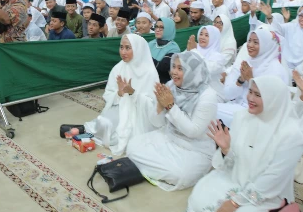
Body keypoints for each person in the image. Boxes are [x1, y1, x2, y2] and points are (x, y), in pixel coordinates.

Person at [178, 76, 303, 212]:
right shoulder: (242, 117)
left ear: (273, 99)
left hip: (267, 194)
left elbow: (273, 178)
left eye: (258, 95)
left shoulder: (291, 135)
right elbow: (234, 163)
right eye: (250, 92)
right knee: (199, 199)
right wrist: (226, 150)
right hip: (236, 181)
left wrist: (235, 202)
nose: (250, 99)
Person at [127, 51, 218, 191]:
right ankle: (155, 168)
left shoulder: (207, 96)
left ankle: (150, 167)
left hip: (195, 148)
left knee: (181, 175)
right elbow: (157, 123)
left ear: (193, 71)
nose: (174, 72)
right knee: (132, 146)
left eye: (180, 68)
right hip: (170, 137)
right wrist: (159, 104)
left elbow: (193, 131)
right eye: (173, 67)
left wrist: (170, 106)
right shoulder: (171, 86)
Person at [84, 34, 159, 155]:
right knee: (103, 125)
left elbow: (153, 105)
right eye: (121, 47)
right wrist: (119, 94)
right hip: (120, 107)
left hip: (140, 114)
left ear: (138, 49)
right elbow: (108, 94)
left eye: (128, 48)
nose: (123, 52)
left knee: (127, 139)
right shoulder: (118, 68)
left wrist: (133, 93)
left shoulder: (149, 72)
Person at [218, 27, 289, 127]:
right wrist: (240, 80)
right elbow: (227, 95)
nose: (250, 45)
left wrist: (251, 80)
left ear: (266, 45)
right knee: (209, 108)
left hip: (259, 116)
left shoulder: (277, 70)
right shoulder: (247, 63)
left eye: (256, 42)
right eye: (249, 41)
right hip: (237, 107)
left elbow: (272, 103)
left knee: (212, 112)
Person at [260, 3, 303, 71]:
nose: (302, 19)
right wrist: (269, 16)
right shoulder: (292, 27)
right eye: (301, 16)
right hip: (287, 67)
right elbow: (277, 28)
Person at [187, 26, 226, 100]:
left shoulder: (218, 57)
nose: (202, 37)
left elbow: (207, 70)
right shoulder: (194, 48)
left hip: (213, 93)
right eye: (201, 34)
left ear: (213, 38)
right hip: (193, 90)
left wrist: (194, 52)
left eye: (207, 35)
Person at [148, 17, 181, 83]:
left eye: (161, 27)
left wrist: (145, 57)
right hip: (147, 78)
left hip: (162, 83)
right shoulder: (151, 44)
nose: (157, 30)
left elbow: (163, 67)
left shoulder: (173, 48)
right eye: (156, 27)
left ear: (169, 29)